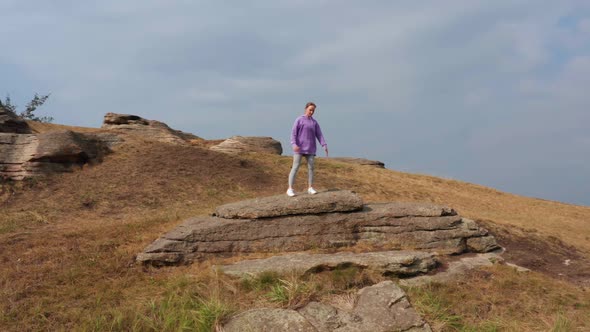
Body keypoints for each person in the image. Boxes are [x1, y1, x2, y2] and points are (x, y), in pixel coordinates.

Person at [287, 102, 328, 196]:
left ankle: (310, 187)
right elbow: (293, 133)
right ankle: (290, 189)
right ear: (306, 109)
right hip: (299, 149)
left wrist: (324, 145)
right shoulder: (299, 120)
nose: (311, 112)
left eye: (313, 110)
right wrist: (294, 144)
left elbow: (319, 135)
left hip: (311, 149)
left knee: (311, 168)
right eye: (310, 110)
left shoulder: (314, 122)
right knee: (295, 167)